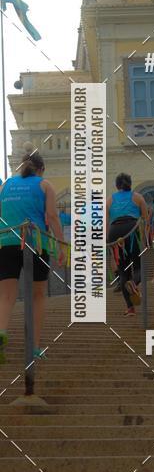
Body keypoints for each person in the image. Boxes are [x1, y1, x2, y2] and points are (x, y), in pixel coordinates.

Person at [0, 149, 64, 364]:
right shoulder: (45, 185)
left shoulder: (6, 184)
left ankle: (1, 332)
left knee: (6, 296)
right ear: (41, 169)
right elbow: (53, 216)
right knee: (37, 296)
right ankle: (35, 347)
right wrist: (61, 245)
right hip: (36, 243)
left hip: (7, 241)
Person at [107, 174, 148, 316]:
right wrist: (147, 239)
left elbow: (105, 221)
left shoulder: (110, 199)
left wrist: (108, 241)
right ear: (130, 184)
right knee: (138, 265)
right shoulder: (138, 197)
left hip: (115, 231)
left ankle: (130, 308)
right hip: (131, 229)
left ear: (117, 186)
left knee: (123, 270)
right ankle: (134, 284)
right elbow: (145, 220)